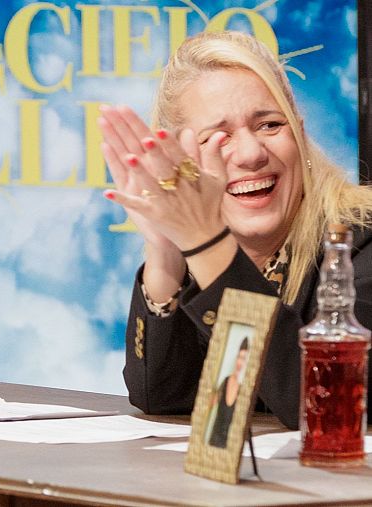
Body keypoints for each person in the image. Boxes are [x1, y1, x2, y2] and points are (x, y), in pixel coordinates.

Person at [99, 31, 372, 430]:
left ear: (298, 132)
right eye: (217, 137)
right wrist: (165, 251)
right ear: (181, 161)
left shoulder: (360, 238)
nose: (250, 154)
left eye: (269, 125)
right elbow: (162, 398)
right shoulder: (200, 252)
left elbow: (323, 404)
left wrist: (205, 243)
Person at [206, 337, 249, 448]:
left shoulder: (245, 385)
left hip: (233, 443)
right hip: (214, 440)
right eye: (240, 357)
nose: (240, 362)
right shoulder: (225, 381)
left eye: (244, 359)